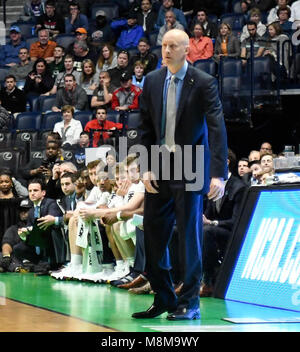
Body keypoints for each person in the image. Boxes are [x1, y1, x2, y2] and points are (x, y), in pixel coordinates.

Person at [132, 29, 227, 320]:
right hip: (160, 165)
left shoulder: (204, 82)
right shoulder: (152, 80)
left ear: (187, 50)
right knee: (153, 234)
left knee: (189, 236)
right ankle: (163, 297)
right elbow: (145, 126)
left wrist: (218, 174)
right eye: (164, 45)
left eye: (173, 46)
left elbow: (216, 127)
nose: (167, 50)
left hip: (191, 165)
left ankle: (190, 303)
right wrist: (144, 165)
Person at [200, 149, 246, 297]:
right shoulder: (213, 185)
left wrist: (212, 222)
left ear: (226, 162)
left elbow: (237, 221)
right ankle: (180, 278)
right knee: (179, 230)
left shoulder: (239, 187)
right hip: (215, 229)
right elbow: (206, 214)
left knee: (207, 232)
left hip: (233, 233)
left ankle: (208, 281)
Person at [14, 178, 65, 269]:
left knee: (44, 232)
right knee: (18, 248)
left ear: (43, 193)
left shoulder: (50, 203)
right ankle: (40, 263)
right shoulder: (31, 211)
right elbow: (29, 228)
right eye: (30, 191)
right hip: (38, 243)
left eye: (35, 190)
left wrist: (29, 229)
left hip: (51, 239)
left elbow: (49, 223)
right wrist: (24, 233)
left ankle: (51, 263)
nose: (32, 193)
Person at [0, 198, 33, 273]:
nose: (23, 212)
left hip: (32, 258)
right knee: (2, 255)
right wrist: (6, 256)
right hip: (17, 258)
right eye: (21, 210)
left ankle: (15, 267)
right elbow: (7, 243)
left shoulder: (37, 226)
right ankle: (17, 267)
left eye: (26, 210)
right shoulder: (14, 228)